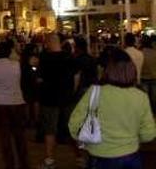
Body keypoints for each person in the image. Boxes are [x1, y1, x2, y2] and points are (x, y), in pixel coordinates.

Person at [69, 49, 156, 169]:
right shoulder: (140, 96)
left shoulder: (94, 92)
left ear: (108, 70)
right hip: (130, 157)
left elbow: (73, 126)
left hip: (99, 156)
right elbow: (149, 134)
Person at [39, 34, 78, 169]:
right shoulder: (69, 57)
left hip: (49, 98)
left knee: (50, 130)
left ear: (49, 43)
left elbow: (39, 79)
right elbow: (76, 76)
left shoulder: (44, 59)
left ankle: (50, 159)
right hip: (66, 97)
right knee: (71, 129)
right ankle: (79, 157)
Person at [0, 41, 29, 169]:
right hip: (16, 101)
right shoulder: (17, 65)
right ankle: (24, 163)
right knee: (19, 135)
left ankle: (10, 164)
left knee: (4, 136)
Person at [140, 35, 156, 112]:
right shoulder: (154, 52)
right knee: (154, 97)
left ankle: (147, 111)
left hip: (143, 77)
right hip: (154, 77)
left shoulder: (141, 52)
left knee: (145, 97)